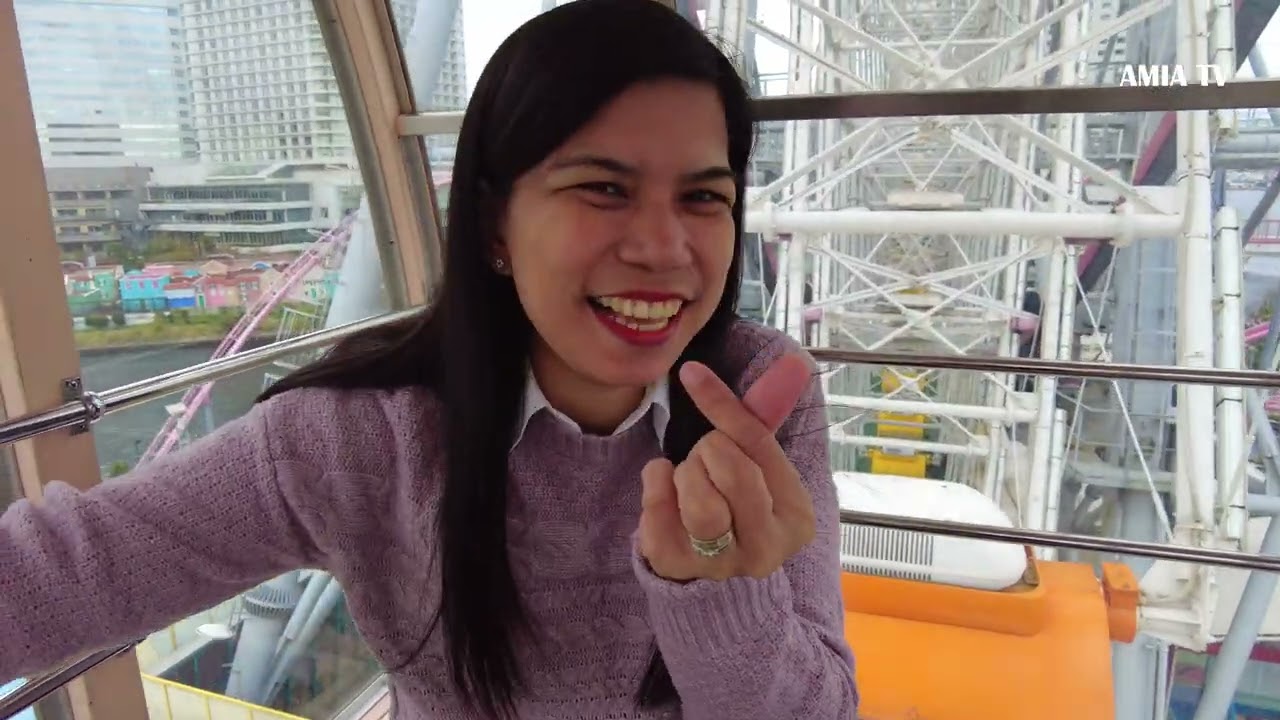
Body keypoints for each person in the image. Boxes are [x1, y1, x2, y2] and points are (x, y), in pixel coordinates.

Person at [0, 0, 858, 717]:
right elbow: (63, 572)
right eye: (604, 188)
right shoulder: (360, 438)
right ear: (493, 227)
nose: (665, 249)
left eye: (703, 197)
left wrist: (721, 590)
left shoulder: (760, 401)